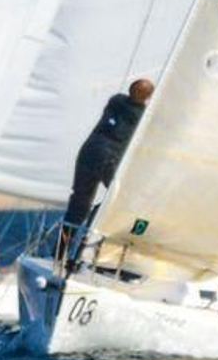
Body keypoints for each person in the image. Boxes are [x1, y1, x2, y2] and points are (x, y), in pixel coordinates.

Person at [56, 78, 155, 270]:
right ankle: (82, 253)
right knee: (120, 202)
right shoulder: (142, 115)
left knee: (77, 206)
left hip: (88, 151)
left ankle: (59, 255)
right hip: (108, 158)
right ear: (149, 97)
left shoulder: (116, 100)